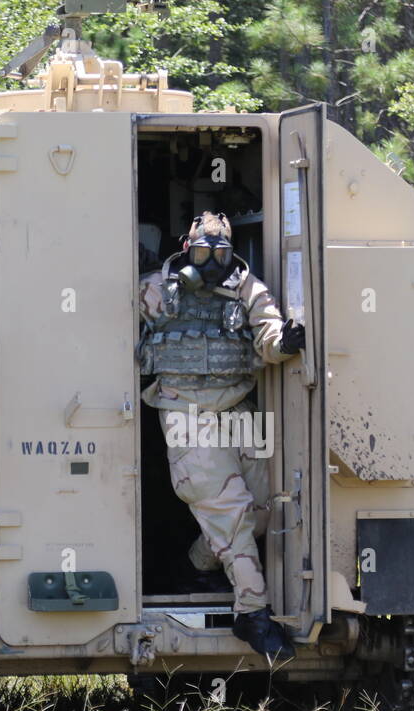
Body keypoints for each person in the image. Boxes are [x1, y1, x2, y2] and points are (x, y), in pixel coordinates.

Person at [138, 211, 304, 660]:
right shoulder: (158, 288)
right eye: (202, 252)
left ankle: (194, 569)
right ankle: (252, 613)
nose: (211, 262)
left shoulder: (247, 287)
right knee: (231, 515)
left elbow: (267, 331)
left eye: (221, 253)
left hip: (238, 407)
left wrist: (285, 341)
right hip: (184, 412)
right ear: (186, 249)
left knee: (271, 507)